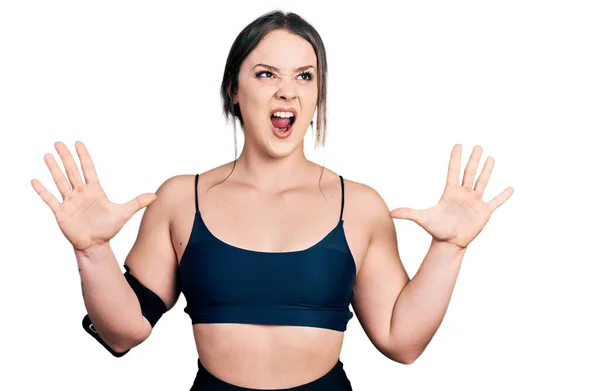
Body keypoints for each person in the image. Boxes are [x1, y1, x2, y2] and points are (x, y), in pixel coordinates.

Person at [30, 10, 513, 391]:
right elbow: (122, 333)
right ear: (233, 90)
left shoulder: (360, 206)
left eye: (305, 76)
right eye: (266, 74)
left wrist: (450, 248)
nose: (288, 90)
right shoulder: (180, 199)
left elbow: (401, 342)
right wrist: (92, 251)